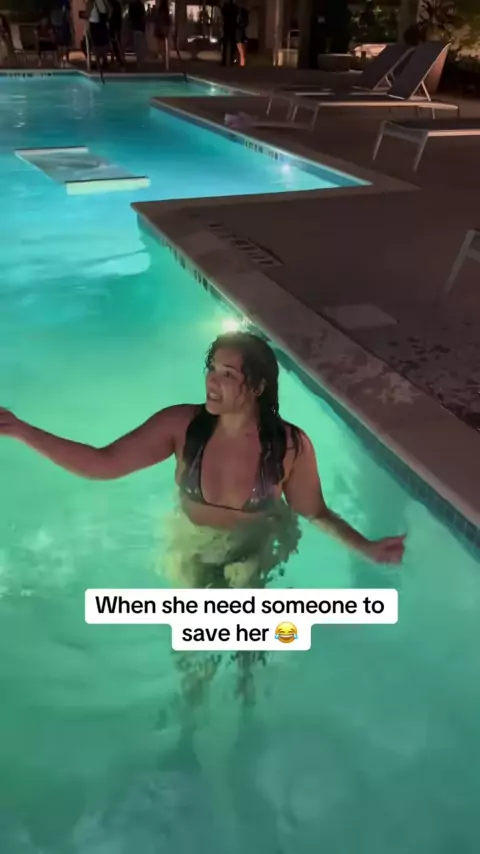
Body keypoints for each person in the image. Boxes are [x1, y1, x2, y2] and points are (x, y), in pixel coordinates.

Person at [0, 332, 405, 705]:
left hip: (254, 550)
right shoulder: (182, 426)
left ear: (257, 387)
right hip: (194, 546)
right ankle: (189, 729)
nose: (212, 380)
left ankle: (249, 716)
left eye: (228, 374)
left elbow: (313, 511)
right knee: (193, 648)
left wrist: (366, 547)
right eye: (212, 368)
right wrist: (21, 430)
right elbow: (103, 464)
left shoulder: (288, 446)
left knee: (250, 647)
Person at [86, 0, 111, 71]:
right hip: (103, 22)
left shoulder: (91, 1)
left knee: (96, 43)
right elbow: (110, 9)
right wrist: (107, 18)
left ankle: (98, 61)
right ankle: (104, 60)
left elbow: (88, 14)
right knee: (103, 42)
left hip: (94, 23)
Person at [128, 0, 147, 69]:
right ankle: (140, 60)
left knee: (136, 45)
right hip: (141, 28)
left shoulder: (131, 5)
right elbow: (143, 17)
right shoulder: (141, 5)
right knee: (140, 45)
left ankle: (139, 60)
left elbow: (130, 18)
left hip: (134, 27)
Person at [152, 0, 171, 70]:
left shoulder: (161, 12)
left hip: (161, 28)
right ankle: (165, 60)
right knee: (164, 45)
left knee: (161, 45)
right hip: (164, 28)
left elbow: (159, 20)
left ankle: (164, 59)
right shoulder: (165, 11)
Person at [221, 0, 238, 66]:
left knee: (225, 45)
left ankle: (224, 61)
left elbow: (223, 13)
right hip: (232, 28)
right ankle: (231, 60)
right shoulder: (234, 7)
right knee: (232, 45)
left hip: (227, 28)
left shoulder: (226, 6)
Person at [109, 0, 125, 67]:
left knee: (114, 42)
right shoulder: (117, 4)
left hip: (113, 25)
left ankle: (119, 59)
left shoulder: (111, 4)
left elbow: (110, 15)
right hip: (117, 25)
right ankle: (120, 58)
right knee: (117, 41)